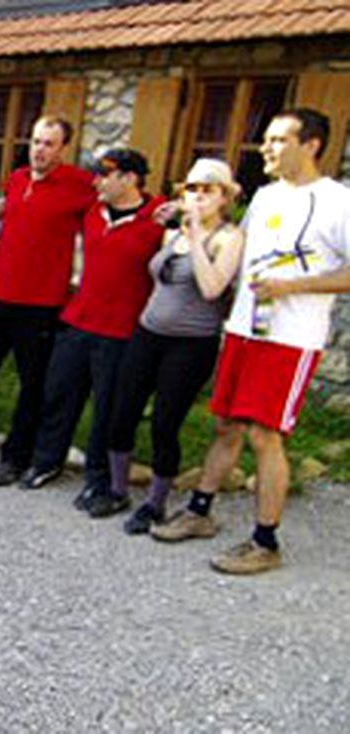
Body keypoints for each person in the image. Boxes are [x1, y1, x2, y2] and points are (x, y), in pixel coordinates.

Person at [152, 109, 350, 575]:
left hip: (289, 338)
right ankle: (199, 513)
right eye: (267, 139)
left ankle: (265, 541)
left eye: (279, 139)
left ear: (312, 145)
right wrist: (193, 219)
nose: (266, 147)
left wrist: (292, 288)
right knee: (226, 426)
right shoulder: (263, 196)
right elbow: (241, 248)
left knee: (265, 436)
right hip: (244, 330)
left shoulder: (337, 201)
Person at [0, 116, 98, 480]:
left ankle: (15, 457)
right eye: (36, 141)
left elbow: (120, 200)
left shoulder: (79, 184)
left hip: (41, 303)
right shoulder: (18, 178)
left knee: (32, 386)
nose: (39, 149)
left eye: (48, 144)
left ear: (63, 148)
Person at [22, 148, 165, 512]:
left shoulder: (158, 217)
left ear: (130, 179)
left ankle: (100, 481)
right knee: (58, 394)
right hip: (78, 319)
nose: (96, 181)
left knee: (108, 410)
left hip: (122, 330)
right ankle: (46, 460)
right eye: (96, 174)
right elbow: (52, 184)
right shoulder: (91, 209)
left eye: (105, 174)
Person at [109, 158, 244, 534]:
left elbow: (213, 287)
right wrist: (177, 224)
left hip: (190, 344)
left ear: (224, 197)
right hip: (149, 332)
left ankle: (155, 503)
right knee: (123, 411)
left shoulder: (227, 238)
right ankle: (118, 488)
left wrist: (199, 234)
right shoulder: (175, 233)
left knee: (165, 423)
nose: (199, 196)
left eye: (208, 189)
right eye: (193, 188)